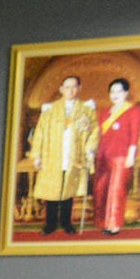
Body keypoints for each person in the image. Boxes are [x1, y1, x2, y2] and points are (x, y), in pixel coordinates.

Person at [28, 74, 98, 236]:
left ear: (79, 88)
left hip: (74, 156)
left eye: (73, 87)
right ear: (61, 89)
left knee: (68, 192)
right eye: (67, 87)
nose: (70, 90)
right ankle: (50, 223)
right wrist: (37, 155)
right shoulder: (50, 110)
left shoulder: (86, 110)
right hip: (53, 156)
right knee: (52, 191)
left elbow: (94, 131)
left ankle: (66, 222)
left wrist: (89, 149)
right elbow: (40, 133)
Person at [93, 77, 140, 237]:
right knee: (101, 189)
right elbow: (99, 135)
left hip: (121, 156)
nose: (115, 95)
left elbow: (134, 135)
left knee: (116, 190)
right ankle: (104, 222)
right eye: (112, 91)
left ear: (126, 93)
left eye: (119, 91)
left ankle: (114, 224)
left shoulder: (134, 111)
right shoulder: (104, 112)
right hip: (103, 156)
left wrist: (131, 155)